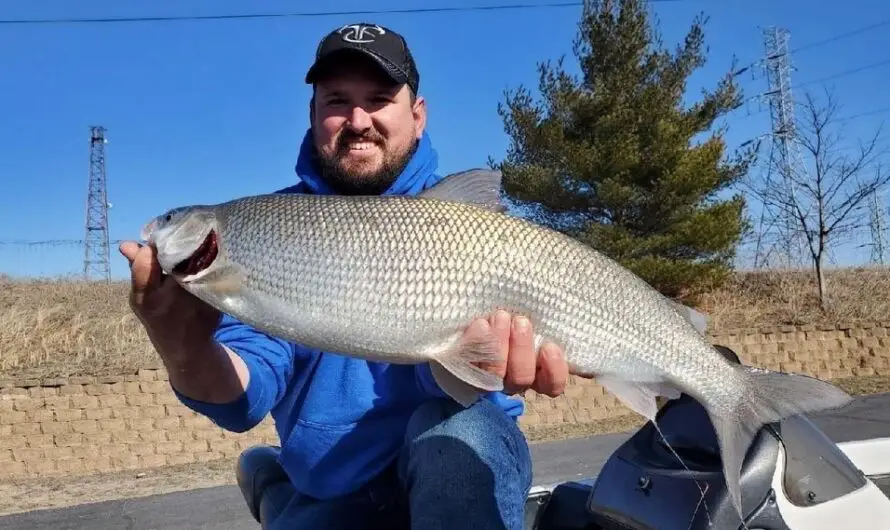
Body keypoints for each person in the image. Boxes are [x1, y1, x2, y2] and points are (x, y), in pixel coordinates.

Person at [119, 22, 570, 530]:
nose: (358, 120)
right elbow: (244, 396)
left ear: (417, 117)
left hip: (462, 464)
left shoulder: (472, 227)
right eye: (337, 101)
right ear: (313, 114)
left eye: (379, 98)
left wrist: (506, 358)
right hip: (332, 490)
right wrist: (183, 346)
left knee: (456, 429)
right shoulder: (265, 227)